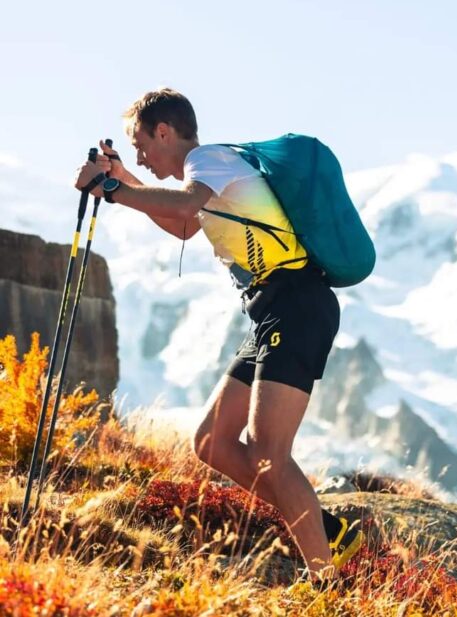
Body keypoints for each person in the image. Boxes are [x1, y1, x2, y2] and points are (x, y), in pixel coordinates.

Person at [74, 88, 362, 584]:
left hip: (296, 304)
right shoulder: (206, 174)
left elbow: (186, 208)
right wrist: (122, 179)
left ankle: (325, 584)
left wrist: (114, 190)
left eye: (140, 144)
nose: (140, 154)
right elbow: (185, 227)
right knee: (212, 441)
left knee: (268, 451)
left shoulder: (210, 161)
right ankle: (325, 527)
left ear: (164, 131)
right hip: (273, 312)